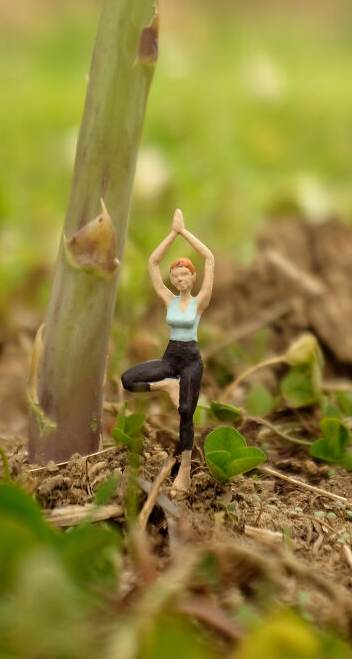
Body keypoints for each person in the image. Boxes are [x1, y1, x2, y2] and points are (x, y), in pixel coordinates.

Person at [121, 208, 214, 494]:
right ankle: (166, 386)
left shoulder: (199, 303)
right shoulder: (169, 300)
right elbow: (152, 262)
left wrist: (185, 232)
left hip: (190, 360)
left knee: (186, 413)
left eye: (184, 275)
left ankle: (184, 473)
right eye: (175, 276)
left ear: (193, 278)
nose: (179, 280)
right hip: (170, 356)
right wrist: (171, 234)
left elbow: (209, 258)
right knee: (129, 379)